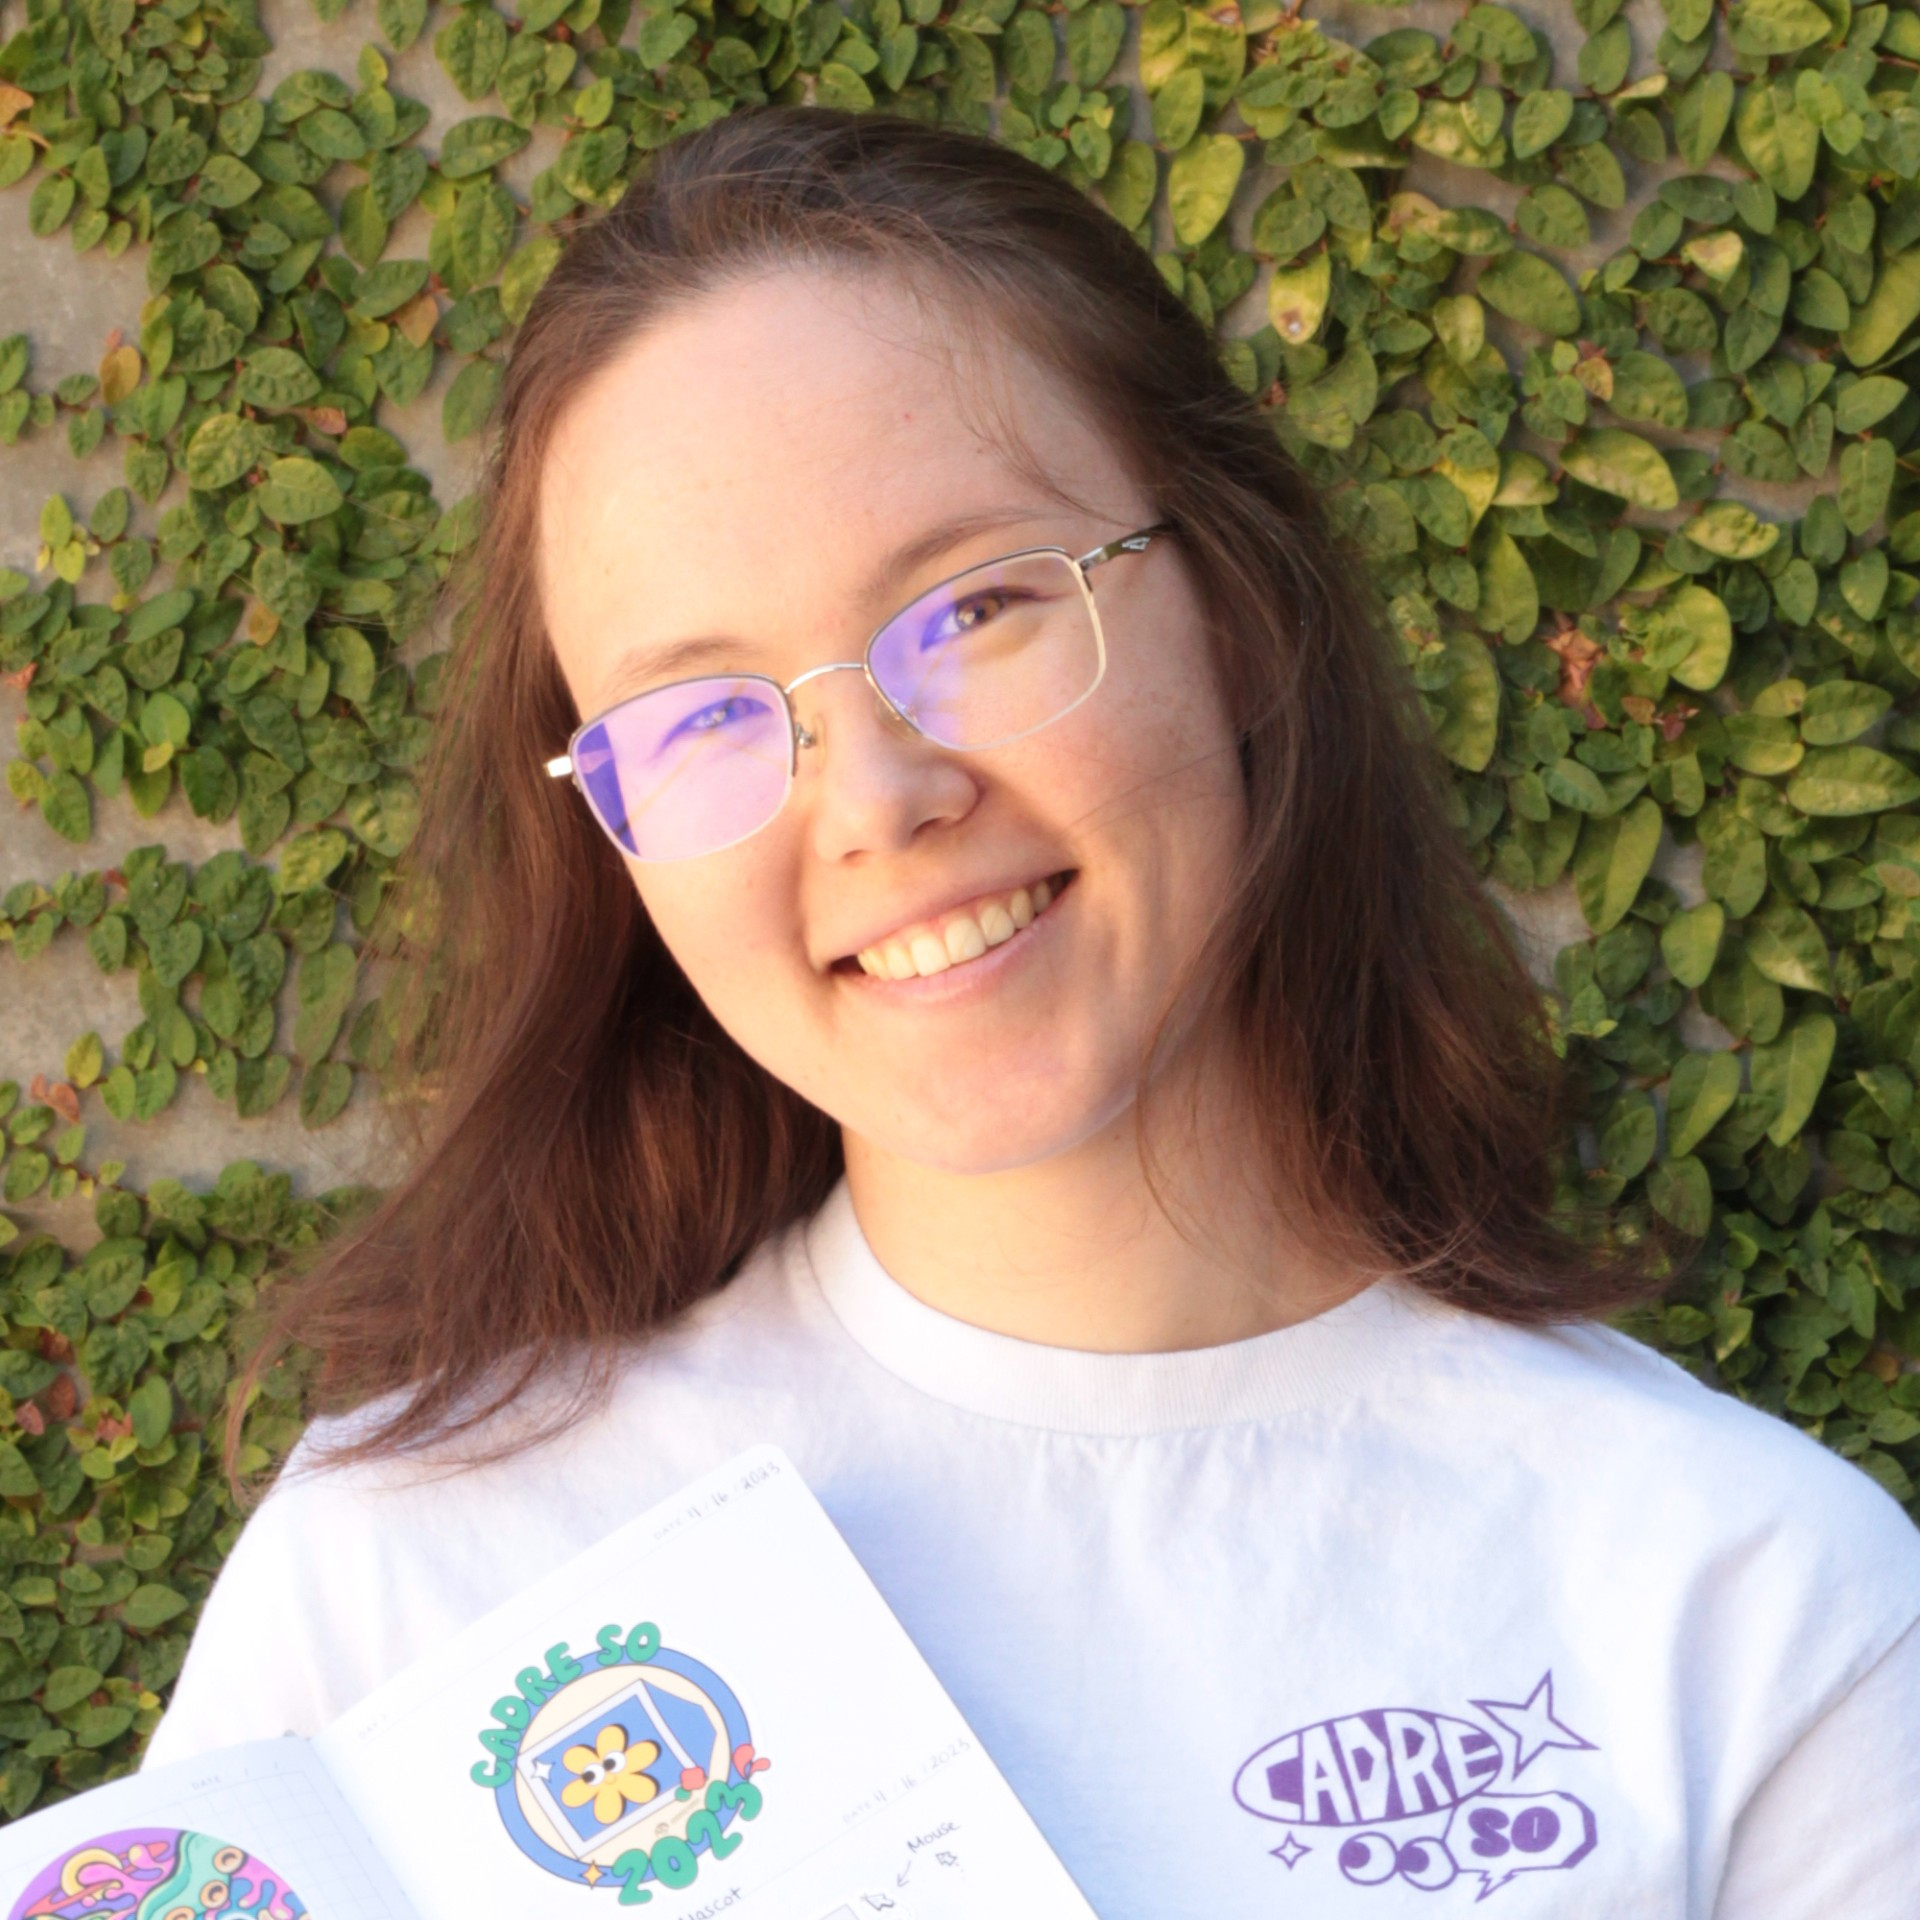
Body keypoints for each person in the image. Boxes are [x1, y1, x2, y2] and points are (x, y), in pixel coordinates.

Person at [143, 106, 1920, 1914]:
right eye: (700, 716)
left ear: (1234, 606)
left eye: (975, 605)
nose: (875, 796)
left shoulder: (1752, 1615)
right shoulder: (400, 1581)